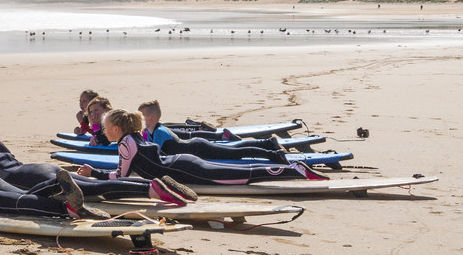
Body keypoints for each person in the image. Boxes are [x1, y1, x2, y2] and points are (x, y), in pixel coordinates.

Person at [0, 116, 196, 205]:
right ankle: (152, 185)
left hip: (26, 179)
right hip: (39, 168)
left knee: (95, 190)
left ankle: (153, 191)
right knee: (92, 185)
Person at [78, 110, 329, 185]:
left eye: (105, 126)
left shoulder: (125, 143)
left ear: (116, 130)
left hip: (187, 171)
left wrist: (94, 174)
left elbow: (121, 176)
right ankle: (291, 167)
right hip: (184, 164)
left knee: (242, 176)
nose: (103, 130)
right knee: (238, 171)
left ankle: (295, 170)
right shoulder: (135, 137)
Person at [137, 100, 289, 164]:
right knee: (234, 148)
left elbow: (154, 155)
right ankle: (268, 143)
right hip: (196, 148)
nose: (142, 118)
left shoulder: (159, 132)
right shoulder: (150, 130)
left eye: (143, 115)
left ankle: (273, 153)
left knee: (235, 151)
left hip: (199, 148)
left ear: (151, 117)